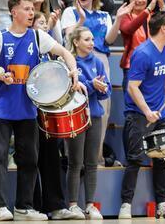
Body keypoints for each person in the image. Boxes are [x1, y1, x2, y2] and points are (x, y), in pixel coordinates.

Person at [0, 0, 80, 221]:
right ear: (14, 12)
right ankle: (1, 207)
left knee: (30, 160)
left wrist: (72, 70)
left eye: (32, 9)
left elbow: (64, 52)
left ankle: (24, 207)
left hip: (27, 110)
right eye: (26, 9)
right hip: (1, 110)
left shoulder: (37, 37)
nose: (31, 12)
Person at [120, 11, 165, 219]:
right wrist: (147, 112)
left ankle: (163, 203)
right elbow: (133, 87)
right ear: (164, 28)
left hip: (161, 113)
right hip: (139, 114)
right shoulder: (143, 53)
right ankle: (126, 204)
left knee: (164, 157)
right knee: (136, 159)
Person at [64, 26, 109, 220]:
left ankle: (90, 204)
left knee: (91, 163)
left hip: (95, 115)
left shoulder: (98, 62)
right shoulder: (69, 62)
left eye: (92, 39)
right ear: (76, 42)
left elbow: (105, 92)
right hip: (75, 117)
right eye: (87, 39)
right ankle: (73, 205)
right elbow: (73, 90)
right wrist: (93, 85)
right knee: (75, 163)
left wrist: (99, 87)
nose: (92, 43)